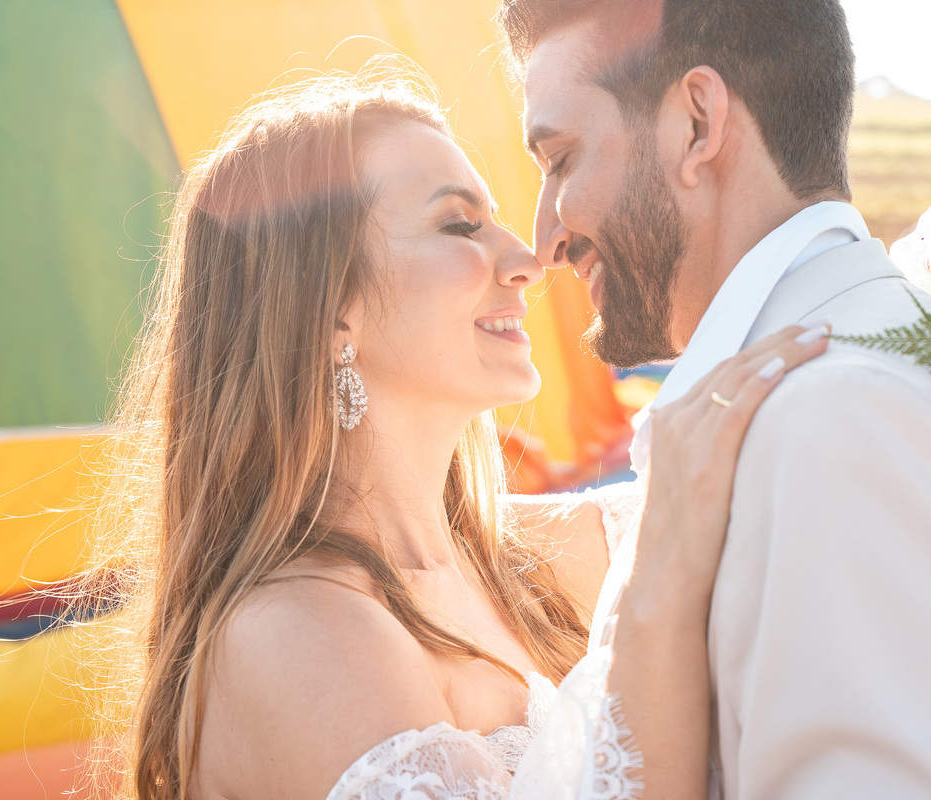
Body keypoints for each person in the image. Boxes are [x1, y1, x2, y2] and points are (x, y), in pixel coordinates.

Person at [86, 71, 831, 800]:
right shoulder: (292, 636)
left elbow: (816, 509)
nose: (529, 262)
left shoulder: (553, 556)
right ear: (329, 307)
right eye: (458, 224)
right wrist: (657, 598)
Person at [499, 0, 931, 797]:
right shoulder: (898, 347)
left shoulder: (831, 429)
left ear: (697, 124)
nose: (543, 235)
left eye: (559, 160)